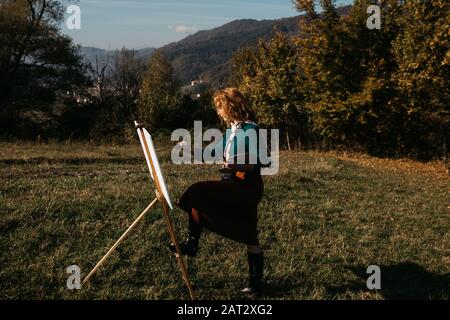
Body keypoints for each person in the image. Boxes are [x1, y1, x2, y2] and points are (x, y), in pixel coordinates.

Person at [169, 87, 266, 296]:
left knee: (197, 192)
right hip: (234, 182)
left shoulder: (251, 130)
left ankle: (192, 243)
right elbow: (210, 152)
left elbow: (256, 163)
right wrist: (187, 149)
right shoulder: (231, 131)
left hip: (247, 186)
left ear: (230, 107)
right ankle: (256, 285)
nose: (218, 113)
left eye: (220, 108)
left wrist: (233, 164)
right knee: (249, 233)